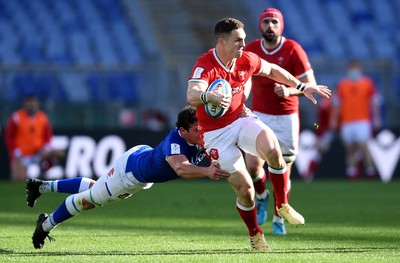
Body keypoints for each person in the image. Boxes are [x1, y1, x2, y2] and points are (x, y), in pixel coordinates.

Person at [187, 17, 331, 250]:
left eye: (244, 39)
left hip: (240, 118)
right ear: (221, 42)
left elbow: (273, 70)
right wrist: (209, 96)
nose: (244, 45)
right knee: (245, 190)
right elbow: (192, 94)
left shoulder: (246, 59)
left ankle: (282, 204)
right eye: (238, 40)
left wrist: (302, 87)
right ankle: (255, 234)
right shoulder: (206, 64)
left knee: (273, 149)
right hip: (214, 134)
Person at [27, 106, 230, 249]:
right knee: (88, 201)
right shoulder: (175, 143)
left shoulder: (198, 135)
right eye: (196, 130)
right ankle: (45, 224)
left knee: (97, 188)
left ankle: (40, 187)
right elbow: (181, 169)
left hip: (139, 161)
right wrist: (206, 171)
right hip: (129, 174)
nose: (201, 132)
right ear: (183, 131)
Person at [330, 60, 381, 180]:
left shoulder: (368, 83)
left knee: (364, 146)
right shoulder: (342, 85)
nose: (353, 71)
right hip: (347, 120)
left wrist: (376, 117)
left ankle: (370, 171)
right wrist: (334, 119)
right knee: (350, 147)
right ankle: (351, 172)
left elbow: (374, 102)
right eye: (351, 68)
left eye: (355, 68)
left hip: (362, 120)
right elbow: (337, 103)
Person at [4, 94, 65, 181]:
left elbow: (47, 137)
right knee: (19, 179)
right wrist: (16, 151)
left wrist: (45, 148)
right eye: (29, 103)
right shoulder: (16, 117)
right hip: (22, 155)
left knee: (59, 153)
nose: (31, 106)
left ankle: (46, 169)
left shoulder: (42, 117)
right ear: (24, 104)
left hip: (38, 153)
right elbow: (9, 137)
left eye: (33, 103)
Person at [303, 96, 334, 182]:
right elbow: (317, 122)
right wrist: (319, 130)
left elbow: (316, 122)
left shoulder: (325, 103)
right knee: (319, 151)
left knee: (320, 151)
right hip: (325, 132)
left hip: (326, 131)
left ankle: (309, 172)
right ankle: (308, 172)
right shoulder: (325, 103)